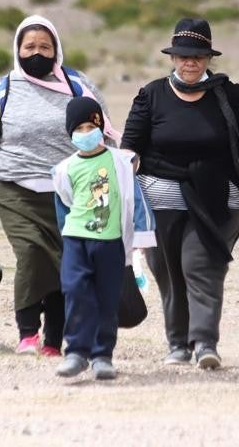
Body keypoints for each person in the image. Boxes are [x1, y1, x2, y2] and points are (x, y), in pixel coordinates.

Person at [0, 15, 118, 357]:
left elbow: (106, 135)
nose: (37, 52)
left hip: (71, 192)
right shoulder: (1, 91)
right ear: (17, 49)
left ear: (56, 49)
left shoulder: (78, 85)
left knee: (67, 264)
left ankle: (53, 341)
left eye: (44, 46)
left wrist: (118, 181)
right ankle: (28, 332)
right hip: (16, 191)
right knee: (32, 255)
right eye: (29, 46)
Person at [121, 18, 239, 370]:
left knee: (200, 264)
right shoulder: (150, 95)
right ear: (172, 57)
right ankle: (178, 344)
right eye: (183, 55)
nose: (191, 62)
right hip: (159, 199)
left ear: (208, 58)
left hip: (215, 196)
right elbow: (130, 150)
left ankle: (205, 343)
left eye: (199, 55)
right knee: (168, 271)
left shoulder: (227, 94)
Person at [51, 97, 156, 379]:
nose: (86, 133)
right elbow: (64, 206)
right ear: (70, 132)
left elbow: (136, 199)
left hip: (110, 243)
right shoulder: (64, 170)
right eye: (79, 128)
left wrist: (143, 237)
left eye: (90, 126)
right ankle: (75, 352)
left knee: (107, 298)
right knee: (74, 291)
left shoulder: (121, 163)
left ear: (101, 127)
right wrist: (66, 239)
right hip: (76, 239)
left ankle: (101, 356)